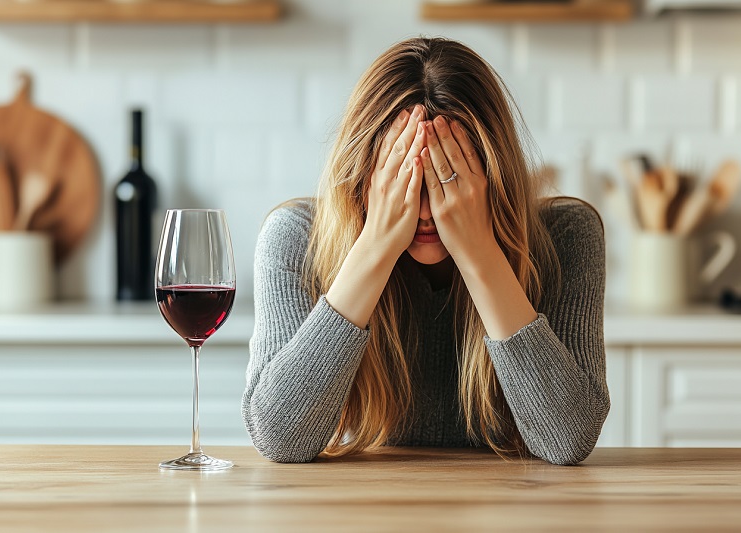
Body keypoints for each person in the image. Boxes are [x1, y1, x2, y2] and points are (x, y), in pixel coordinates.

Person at [242, 37, 609, 466]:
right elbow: (279, 438)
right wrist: (376, 246)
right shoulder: (294, 238)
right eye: (403, 180)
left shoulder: (568, 236)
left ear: (493, 175)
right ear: (364, 177)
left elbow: (568, 440)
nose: (428, 210)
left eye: (450, 179)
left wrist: (478, 251)